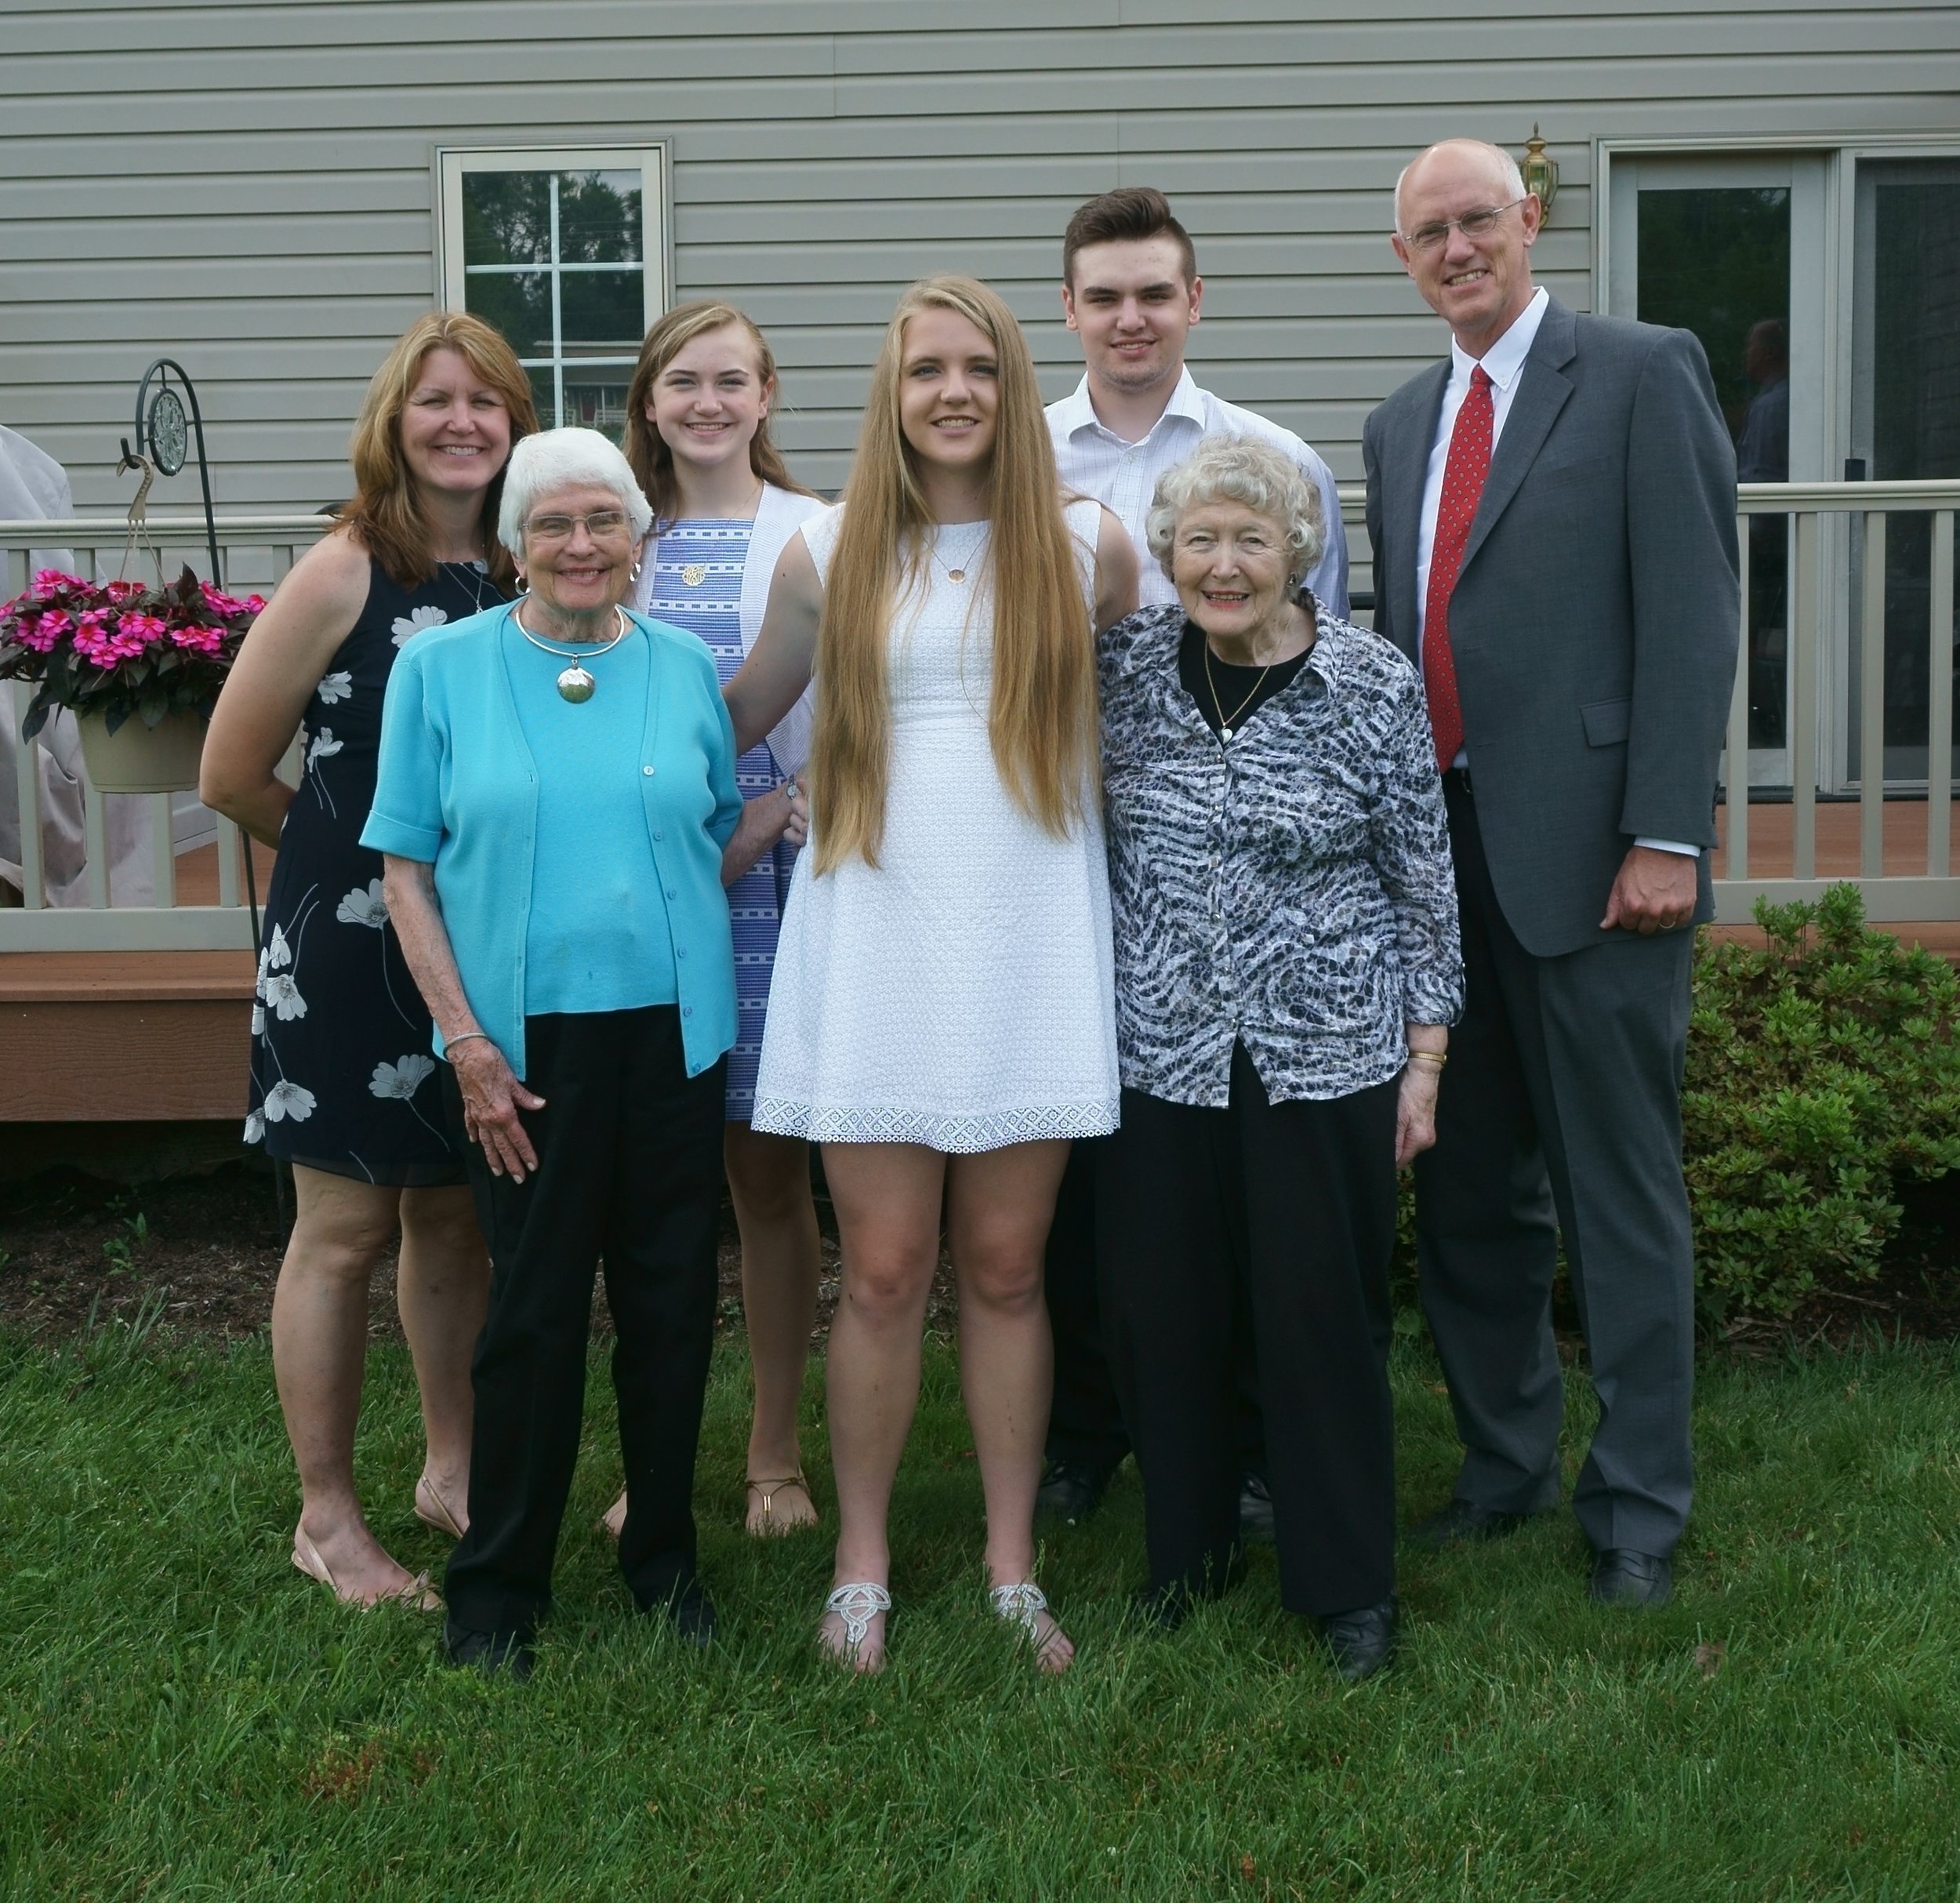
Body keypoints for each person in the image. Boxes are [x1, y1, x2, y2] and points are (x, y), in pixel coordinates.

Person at [725, 274, 1138, 1675]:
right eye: (925, 370)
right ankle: (863, 1567)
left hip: (1031, 936)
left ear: (1013, 387)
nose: (953, 392)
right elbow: (734, 718)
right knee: (887, 1270)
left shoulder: (1088, 547)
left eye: (979, 367)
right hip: (879, 933)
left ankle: (1014, 1571)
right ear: (890, 395)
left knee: (1010, 1268)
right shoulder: (827, 551)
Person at [1363, 138, 1739, 1609]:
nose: (1457, 249)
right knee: (1470, 1198)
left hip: (1598, 861)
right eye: (1429, 234)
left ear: (1529, 221)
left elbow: (1694, 610)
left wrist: (1668, 830)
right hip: (1442, 864)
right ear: (1403, 260)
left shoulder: (1641, 371)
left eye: (1479, 221)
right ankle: (1505, 1467)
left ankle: (1638, 1505)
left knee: (1617, 1196)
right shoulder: (1401, 422)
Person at [365, 427, 751, 1679]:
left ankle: (666, 1565)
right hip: (520, 1053)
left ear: (640, 539)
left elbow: (706, 833)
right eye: (552, 524)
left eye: (604, 522)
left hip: (674, 1037)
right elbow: (407, 874)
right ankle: (497, 1594)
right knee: (531, 1314)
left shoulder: (683, 665)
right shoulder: (443, 669)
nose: (581, 545)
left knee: (670, 1305)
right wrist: (465, 1042)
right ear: (513, 543)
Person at [1096, 434, 1461, 1681]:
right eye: (1200, 540)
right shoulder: (1124, 667)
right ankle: (1186, 1555)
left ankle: (1348, 1585)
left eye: (1251, 540)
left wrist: (1426, 1057)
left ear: (1296, 553)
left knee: (1321, 1321)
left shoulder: (1370, 681)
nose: (1224, 565)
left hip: (1328, 1055)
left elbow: (1422, 876)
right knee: (1166, 1316)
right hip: (1162, 1049)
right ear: (1168, 554)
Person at [202, 313, 535, 1606]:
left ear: (514, 424)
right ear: (394, 422)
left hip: (482, 943)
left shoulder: (526, 566)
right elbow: (231, 771)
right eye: (435, 401)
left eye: (485, 402)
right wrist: (345, 866)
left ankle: (453, 1468)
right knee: (340, 1230)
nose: (462, 423)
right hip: (347, 948)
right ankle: (328, 1518)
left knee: (453, 1213)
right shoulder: (345, 570)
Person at [1038, 186, 1353, 1531]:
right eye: (1105, 296)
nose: (1131, 318)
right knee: (1084, 1160)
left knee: (1220, 1167)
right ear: (1069, 309)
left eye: (1154, 293)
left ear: (1194, 302)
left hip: (1225, 875)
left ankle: (1251, 1438)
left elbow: (1321, 669)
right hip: (1053, 847)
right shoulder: (1016, 460)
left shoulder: (1272, 460)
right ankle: (1086, 1430)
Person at [591, 301, 826, 1543]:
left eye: (732, 380)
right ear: (650, 400)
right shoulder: (612, 536)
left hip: (774, 880)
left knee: (767, 1179)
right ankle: (658, 1461)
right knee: (656, 1191)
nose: (708, 403)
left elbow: (854, 698)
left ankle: (775, 1457)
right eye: (683, 381)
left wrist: (787, 801)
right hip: (632, 885)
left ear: (767, 394)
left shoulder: (814, 532)